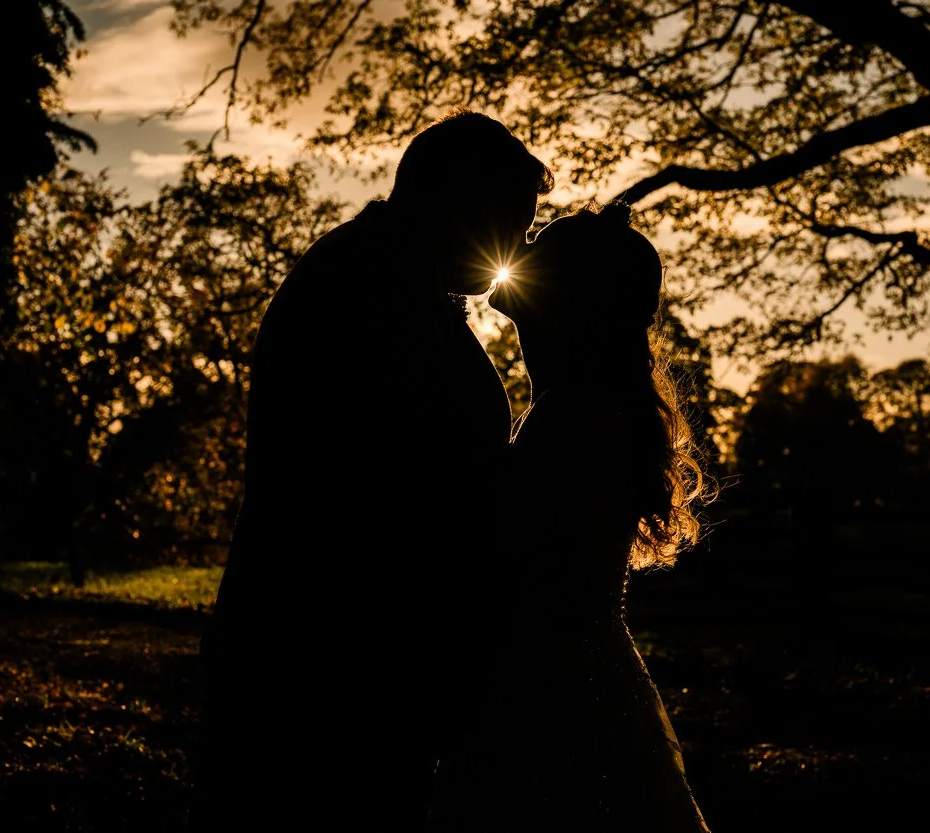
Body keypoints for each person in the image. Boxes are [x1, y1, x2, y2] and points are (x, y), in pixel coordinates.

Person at [189, 110, 554, 830]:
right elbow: (396, 485)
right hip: (327, 665)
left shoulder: (397, 276)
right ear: (459, 199)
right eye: (512, 221)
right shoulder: (369, 286)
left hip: (354, 659)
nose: (518, 245)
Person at [428, 202, 713, 831]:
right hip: (571, 672)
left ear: (570, 301)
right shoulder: (585, 407)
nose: (522, 248)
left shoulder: (576, 418)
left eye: (543, 247)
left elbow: (512, 559)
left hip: (549, 686)